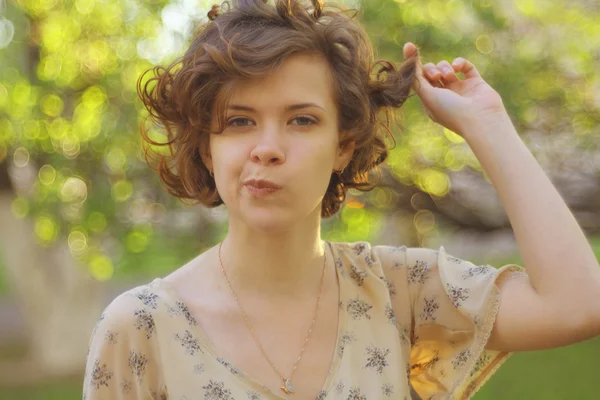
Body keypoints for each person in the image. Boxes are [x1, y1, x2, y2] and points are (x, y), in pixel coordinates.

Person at [82, 1, 600, 399]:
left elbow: (577, 304)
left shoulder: (402, 293)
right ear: (207, 145)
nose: (267, 148)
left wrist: (487, 125)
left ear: (343, 145)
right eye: (240, 121)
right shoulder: (140, 327)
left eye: (301, 120)